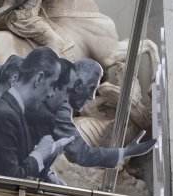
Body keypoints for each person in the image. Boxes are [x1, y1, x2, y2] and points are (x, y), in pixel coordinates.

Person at [27, 58, 156, 184]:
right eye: (91, 89)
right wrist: (126, 152)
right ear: (77, 86)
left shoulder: (52, 90)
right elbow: (82, 154)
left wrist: (46, 173)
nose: (92, 96)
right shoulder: (59, 105)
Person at [0, 47, 74, 178]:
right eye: (52, 84)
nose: (50, 93)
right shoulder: (4, 116)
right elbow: (11, 180)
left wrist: (49, 152)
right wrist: (39, 155)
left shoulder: (13, 112)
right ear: (39, 79)